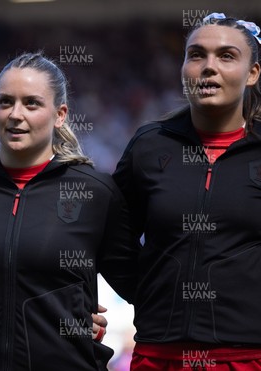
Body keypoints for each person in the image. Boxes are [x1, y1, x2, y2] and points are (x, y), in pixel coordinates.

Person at [0, 52, 139, 370]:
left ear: (60, 114)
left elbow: (144, 290)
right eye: (5, 102)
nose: (15, 114)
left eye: (31, 103)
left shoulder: (95, 193)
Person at [112, 12, 261, 370]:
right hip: (158, 353)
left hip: (248, 356)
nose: (208, 67)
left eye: (226, 56)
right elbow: (112, 240)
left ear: (253, 73)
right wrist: (150, 296)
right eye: (196, 55)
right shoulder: (149, 146)